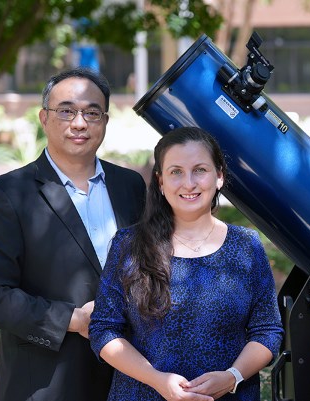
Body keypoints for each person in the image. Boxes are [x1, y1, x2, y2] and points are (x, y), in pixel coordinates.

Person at [0, 67, 147, 401]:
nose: (79, 123)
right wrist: (73, 319)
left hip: (129, 379)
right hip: (47, 383)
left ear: (105, 120)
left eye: (92, 112)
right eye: (66, 111)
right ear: (44, 118)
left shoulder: (130, 185)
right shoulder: (7, 193)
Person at [89, 126, 283, 401]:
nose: (189, 183)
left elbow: (268, 331)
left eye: (200, 170)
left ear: (219, 176)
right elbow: (103, 329)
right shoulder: (129, 244)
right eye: (176, 172)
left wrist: (232, 377)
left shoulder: (246, 246)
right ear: (160, 182)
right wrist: (156, 380)